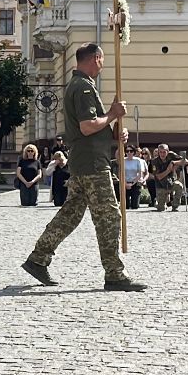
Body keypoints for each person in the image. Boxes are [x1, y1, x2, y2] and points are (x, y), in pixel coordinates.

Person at [22, 43, 146, 292]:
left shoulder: (79, 85)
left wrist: (114, 133)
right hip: (92, 165)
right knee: (110, 217)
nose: (103, 64)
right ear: (96, 58)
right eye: (102, 60)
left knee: (70, 215)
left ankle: (37, 259)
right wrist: (111, 114)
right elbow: (88, 126)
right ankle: (114, 274)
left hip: (85, 160)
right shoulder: (84, 88)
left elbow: (93, 129)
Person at [149, 144, 184, 212]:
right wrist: (168, 170)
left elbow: (185, 161)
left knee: (179, 186)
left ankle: (175, 206)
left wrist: (174, 162)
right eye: (160, 152)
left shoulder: (171, 155)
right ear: (158, 152)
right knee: (161, 209)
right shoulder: (154, 161)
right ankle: (158, 203)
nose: (162, 154)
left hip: (171, 182)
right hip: (160, 185)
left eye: (164, 152)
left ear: (167, 151)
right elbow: (159, 177)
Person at [122, 145, 147, 210]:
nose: (129, 153)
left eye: (131, 151)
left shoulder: (138, 161)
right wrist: (125, 184)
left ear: (134, 152)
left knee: (135, 206)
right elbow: (121, 173)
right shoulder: (123, 161)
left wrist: (132, 183)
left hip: (135, 183)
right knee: (125, 206)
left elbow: (140, 174)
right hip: (125, 183)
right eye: (127, 151)